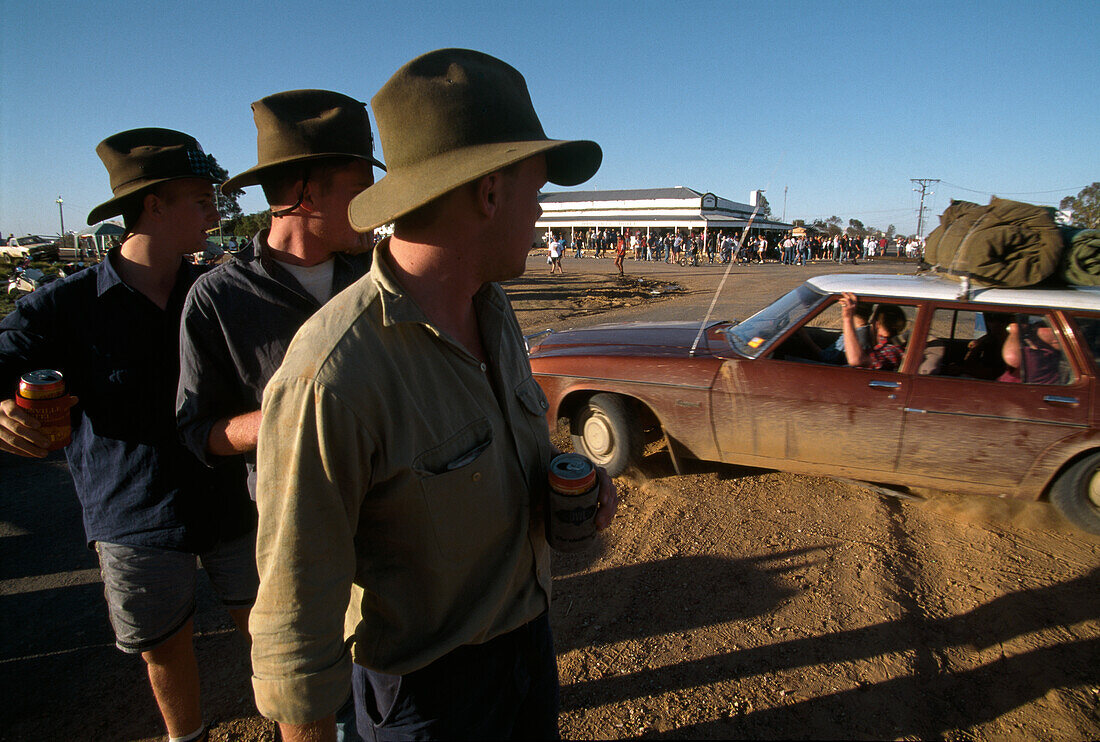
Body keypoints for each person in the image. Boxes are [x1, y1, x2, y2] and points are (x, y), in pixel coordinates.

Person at [249, 48, 617, 742]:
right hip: (424, 703)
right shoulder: (332, 375)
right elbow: (294, 618)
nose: (541, 217)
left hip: (527, 650)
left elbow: (505, 454)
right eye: (536, 191)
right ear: (488, 193)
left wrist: (570, 487)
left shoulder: (495, 309)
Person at [0, 128, 257, 742]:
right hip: (134, 512)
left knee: (268, 628)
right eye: (201, 200)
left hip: (232, 501)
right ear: (154, 206)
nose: (215, 213)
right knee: (162, 648)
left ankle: (297, 722)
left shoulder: (216, 292)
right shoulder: (65, 307)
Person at [178, 89, 383, 503]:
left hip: (393, 505)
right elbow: (200, 431)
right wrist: (294, 416)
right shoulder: (219, 297)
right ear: (305, 196)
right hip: (295, 512)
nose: (375, 206)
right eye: (361, 189)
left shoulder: (381, 274)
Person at [840, 292, 906, 371]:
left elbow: (855, 360)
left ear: (876, 324)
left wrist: (847, 318)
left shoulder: (891, 351)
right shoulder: (892, 347)